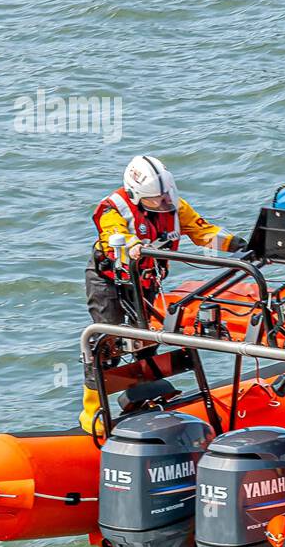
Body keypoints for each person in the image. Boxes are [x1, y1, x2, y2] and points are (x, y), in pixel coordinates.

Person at [81, 155, 245, 433]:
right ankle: (93, 410)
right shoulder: (114, 209)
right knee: (105, 341)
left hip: (146, 281)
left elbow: (202, 231)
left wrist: (237, 245)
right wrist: (132, 246)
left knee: (147, 339)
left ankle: (143, 394)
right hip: (109, 280)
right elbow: (113, 233)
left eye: (164, 196)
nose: (163, 202)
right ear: (137, 195)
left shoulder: (174, 205)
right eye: (155, 199)